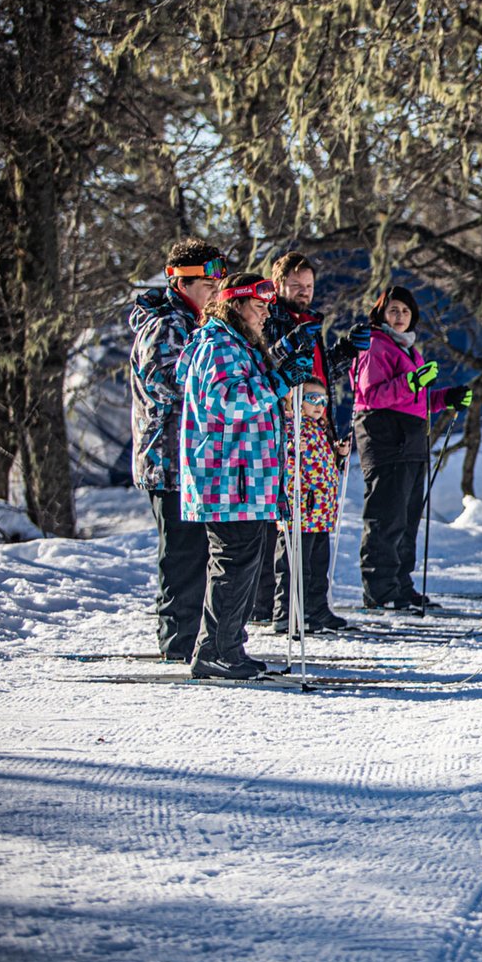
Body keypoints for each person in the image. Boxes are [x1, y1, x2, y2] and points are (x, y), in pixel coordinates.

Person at [176, 273, 317, 678]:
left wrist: (282, 360)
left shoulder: (238, 345)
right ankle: (216, 650)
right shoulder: (218, 345)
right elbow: (230, 402)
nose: (265, 312)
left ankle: (226, 645)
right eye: (258, 305)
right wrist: (281, 379)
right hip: (228, 476)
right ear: (236, 305)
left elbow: (253, 389)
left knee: (243, 563)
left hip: (248, 476)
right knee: (233, 562)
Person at [249, 249, 370, 623]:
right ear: (278, 283)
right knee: (291, 529)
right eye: (296, 285)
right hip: (287, 431)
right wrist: (292, 344)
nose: (304, 291)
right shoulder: (270, 321)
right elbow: (271, 365)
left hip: (318, 429)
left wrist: (345, 351)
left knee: (318, 523)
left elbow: (317, 376)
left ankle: (315, 605)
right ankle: (283, 607)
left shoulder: (309, 321)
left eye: (309, 285)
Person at [128, 238, 227, 663]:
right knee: (182, 556)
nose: (215, 289)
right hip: (168, 459)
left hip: (193, 459)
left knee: (199, 553)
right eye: (208, 282)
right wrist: (216, 386)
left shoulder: (199, 323)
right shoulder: (168, 325)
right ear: (181, 282)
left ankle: (193, 637)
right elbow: (164, 382)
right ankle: (177, 640)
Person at [352, 285, 473, 610]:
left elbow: (413, 399)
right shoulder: (376, 345)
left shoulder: (407, 349)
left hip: (412, 437)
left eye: (405, 311)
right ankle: (379, 588)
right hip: (384, 436)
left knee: (407, 517)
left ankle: (401, 584)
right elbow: (372, 395)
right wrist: (412, 382)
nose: (400, 316)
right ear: (381, 313)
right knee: (386, 516)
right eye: (394, 310)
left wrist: (444, 398)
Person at [272, 378, 352, 634]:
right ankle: (287, 612)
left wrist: (338, 456)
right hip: (300, 511)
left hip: (320, 511)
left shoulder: (319, 428)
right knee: (295, 566)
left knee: (318, 565)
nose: (319, 406)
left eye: (323, 401)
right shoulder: (290, 426)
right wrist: (291, 449)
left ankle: (316, 608)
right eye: (312, 399)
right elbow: (281, 462)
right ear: (296, 401)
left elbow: (323, 469)